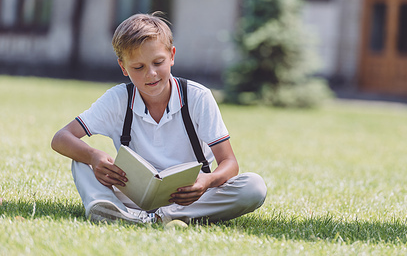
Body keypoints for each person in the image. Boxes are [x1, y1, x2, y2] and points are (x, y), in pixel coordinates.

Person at [51, 12, 267, 225]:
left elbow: (229, 163)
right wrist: (93, 155)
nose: (151, 74)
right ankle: (111, 208)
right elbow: (61, 138)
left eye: (158, 62)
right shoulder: (117, 99)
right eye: (138, 67)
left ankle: (148, 217)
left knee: (254, 187)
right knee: (80, 161)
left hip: (189, 198)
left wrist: (207, 181)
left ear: (172, 55)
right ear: (123, 67)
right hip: (132, 196)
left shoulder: (197, 97)